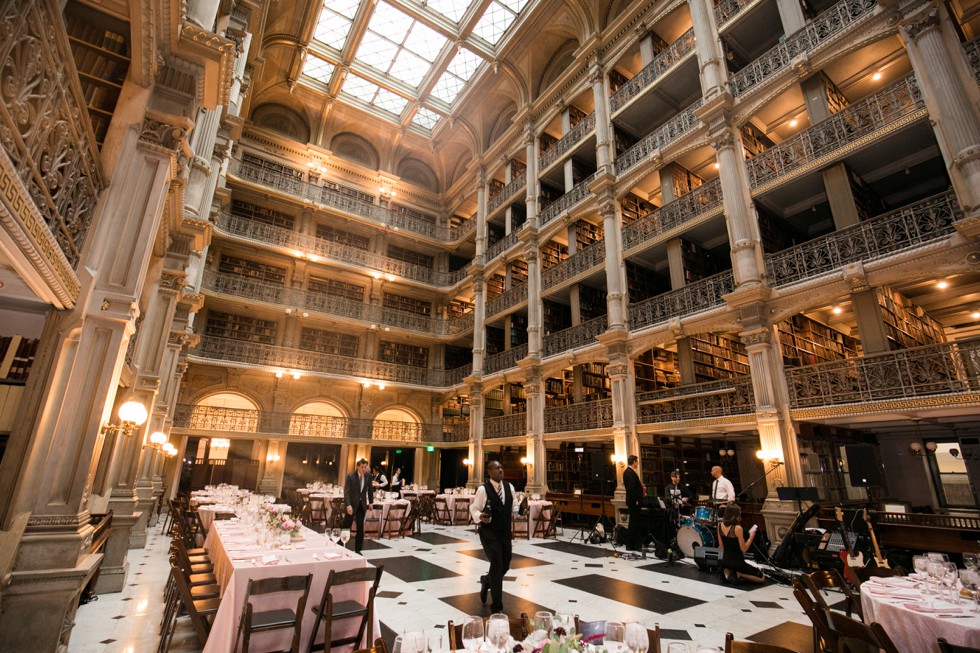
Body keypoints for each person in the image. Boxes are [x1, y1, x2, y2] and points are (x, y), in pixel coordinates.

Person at [468, 460, 518, 613]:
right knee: (496, 565)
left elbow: (513, 506)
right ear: (489, 472)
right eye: (497, 468)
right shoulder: (483, 489)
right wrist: (480, 516)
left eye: (501, 467)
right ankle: (497, 607)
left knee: (506, 563)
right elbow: (474, 508)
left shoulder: (509, 487)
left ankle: (486, 580)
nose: (501, 470)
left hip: (504, 532)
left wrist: (520, 510)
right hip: (489, 533)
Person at [717, 504, 765, 583]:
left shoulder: (719, 525)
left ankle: (729, 571)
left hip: (724, 561)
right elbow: (744, 549)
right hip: (737, 562)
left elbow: (721, 547)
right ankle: (740, 574)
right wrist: (751, 536)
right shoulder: (738, 528)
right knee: (761, 578)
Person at [343, 458, 374, 554]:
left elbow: (370, 490)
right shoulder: (351, 476)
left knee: (360, 527)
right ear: (357, 466)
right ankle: (341, 545)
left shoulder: (368, 476)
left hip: (362, 505)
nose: (363, 469)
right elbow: (346, 492)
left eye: (365, 467)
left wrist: (371, 502)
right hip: (351, 505)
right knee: (346, 526)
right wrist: (348, 505)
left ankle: (358, 549)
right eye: (362, 467)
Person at [623, 454, 645, 551]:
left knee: (634, 523)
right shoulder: (629, 473)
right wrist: (636, 500)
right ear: (634, 462)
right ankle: (631, 544)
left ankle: (635, 544)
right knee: (634, 523)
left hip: (633, 500)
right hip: (634, 501)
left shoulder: (629, 472)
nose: (638, 463)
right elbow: (632, 489)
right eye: (637, 462)